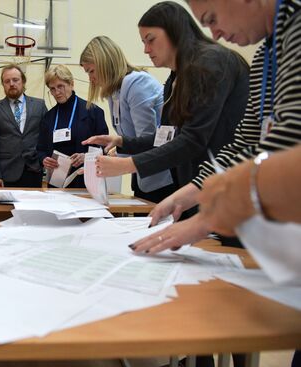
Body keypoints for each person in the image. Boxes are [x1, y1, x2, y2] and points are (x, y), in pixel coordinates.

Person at [132, 0, 301, 253]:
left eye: (212, 19)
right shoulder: (264, 56)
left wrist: (207, 219)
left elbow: (289, 140)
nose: (215, 33)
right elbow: (246, 143)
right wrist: (193, 190)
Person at [88, 2, 249, 222]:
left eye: (150, 39)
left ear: (175, 31)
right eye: (143, 42)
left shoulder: (210, 62)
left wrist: (127, 164)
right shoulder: (174, 79)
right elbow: (166, 137)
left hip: (222, 189)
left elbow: (193, 139)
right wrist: (122, 141)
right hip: (193, 188)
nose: (146, 49)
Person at [79, 35, 175, 202]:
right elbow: (132, 141)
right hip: (142, 176)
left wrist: (114, 160)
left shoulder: (136, 83)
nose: (91, 79)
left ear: (105, 63)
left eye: (91, 71)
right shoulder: (114, 92)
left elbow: (147, 140)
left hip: (163, 178)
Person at [37, 65, 108, 188]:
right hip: (56, 181)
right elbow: (40, 149)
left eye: (60, 86)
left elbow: (105, 147)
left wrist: (86, 157)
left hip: (86, 180)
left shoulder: (93, 112)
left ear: (71, 84)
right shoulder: (49, 117)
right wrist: (44, 159)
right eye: (52, 89)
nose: (57, 92)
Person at [0, 64, 48, 188]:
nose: (11, 84)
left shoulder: (39, 105)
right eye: (7, 81)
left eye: (15, 80)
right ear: (3, 85)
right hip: (6, 173)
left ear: (23, 81)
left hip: (33, 170)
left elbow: (47, 136)